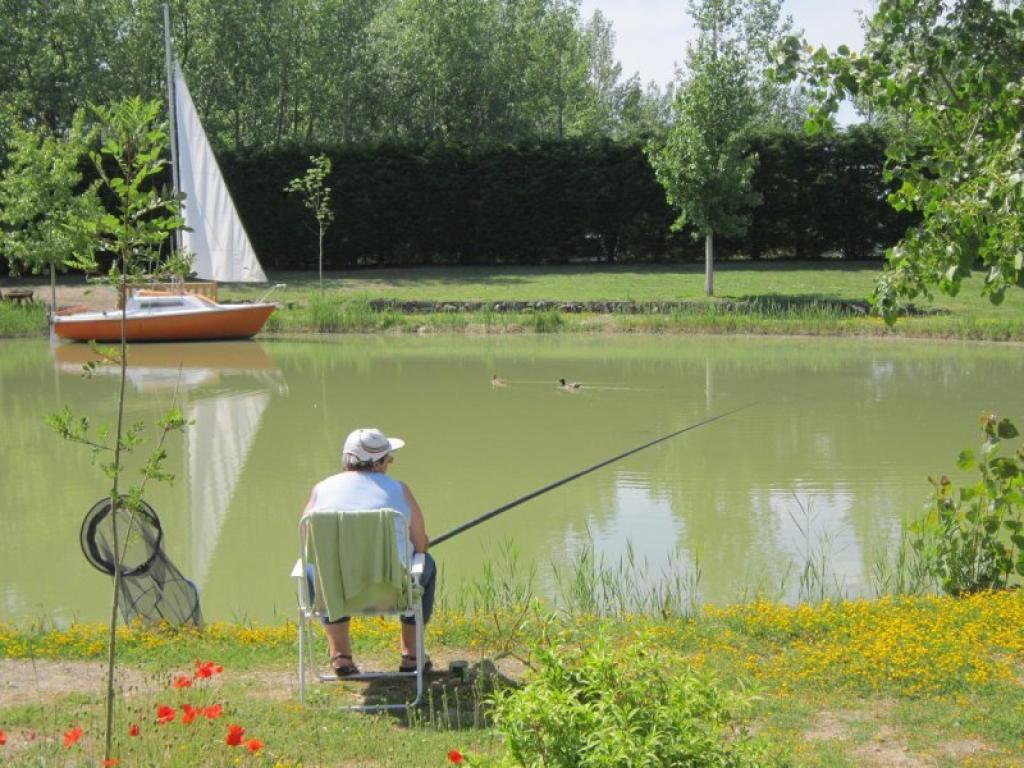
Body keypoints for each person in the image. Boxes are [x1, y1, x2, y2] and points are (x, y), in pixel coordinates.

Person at [303, 427, 436, 677]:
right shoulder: (399, 490)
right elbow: (420, 545)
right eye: (388, 460)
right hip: (391, 590)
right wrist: (421, 545)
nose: (389, 466)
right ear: (377, 464)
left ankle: (341, 656)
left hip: (335, 592)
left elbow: (306, 544)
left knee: (316, 571)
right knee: (426, 564)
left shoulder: (321, 490)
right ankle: (412, 655)